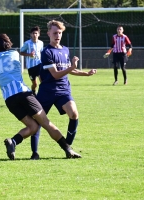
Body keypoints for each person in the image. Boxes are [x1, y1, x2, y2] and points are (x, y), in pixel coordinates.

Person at [0, 33, 81, 160]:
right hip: (24, 93)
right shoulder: (15, 54)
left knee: (33, 126)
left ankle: (13, 141)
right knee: (46, 123)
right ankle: (68, 149)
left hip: (10, 100)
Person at [29, 20, 96, 160]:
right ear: (48, 34)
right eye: (55, 33)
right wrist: (71, 67)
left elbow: (68, 69)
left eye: (59, 33)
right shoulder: (46, 52)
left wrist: (86, 73)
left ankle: (68, 148)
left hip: (63, 90)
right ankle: (35, 153)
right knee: (37, 122)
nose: (57, 35)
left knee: (74, 114)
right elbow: (55, 74)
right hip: (47, 91)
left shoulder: (65, 49)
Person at [19, 26, 44, 95]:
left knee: (42, 81)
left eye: (36, 33)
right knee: (35, 84)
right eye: (33, 33)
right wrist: (29, 54)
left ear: (38, 34)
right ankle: (33, 92)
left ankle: (42, 95)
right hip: (31, 66)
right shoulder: (27, 43)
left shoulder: (41, 43)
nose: (34, 35)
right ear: (31, 34)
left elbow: (41, 52)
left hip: (39, 64)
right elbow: (21, 52)